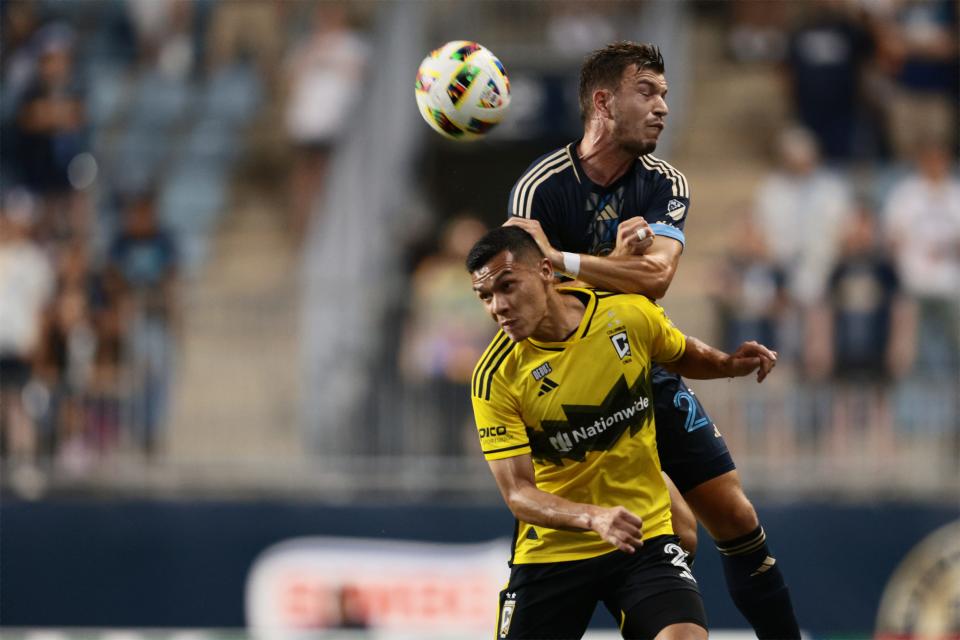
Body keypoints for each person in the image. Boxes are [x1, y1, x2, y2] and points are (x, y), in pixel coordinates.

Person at [503, 42, 800, 637]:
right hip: (568, 390)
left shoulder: (665, 183)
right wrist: (608, 263)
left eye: (665, 93)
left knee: (735, 517)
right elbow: (525, 307)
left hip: (642, 367)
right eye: (648, 92)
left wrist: (560, 260)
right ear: (604, 102)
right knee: (674, 533)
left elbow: (656, 277)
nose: (663, 106)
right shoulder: (540, 188)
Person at [467, 226, 779, 640]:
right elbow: (518, 494)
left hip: (641, 535)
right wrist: (594, 517)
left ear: (545, 270)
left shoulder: (624, 313)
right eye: (486, 296)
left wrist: (725, 364)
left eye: (507, 286)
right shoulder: (496, 376)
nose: (498, 306)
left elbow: (678, 350)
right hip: (554, 551)